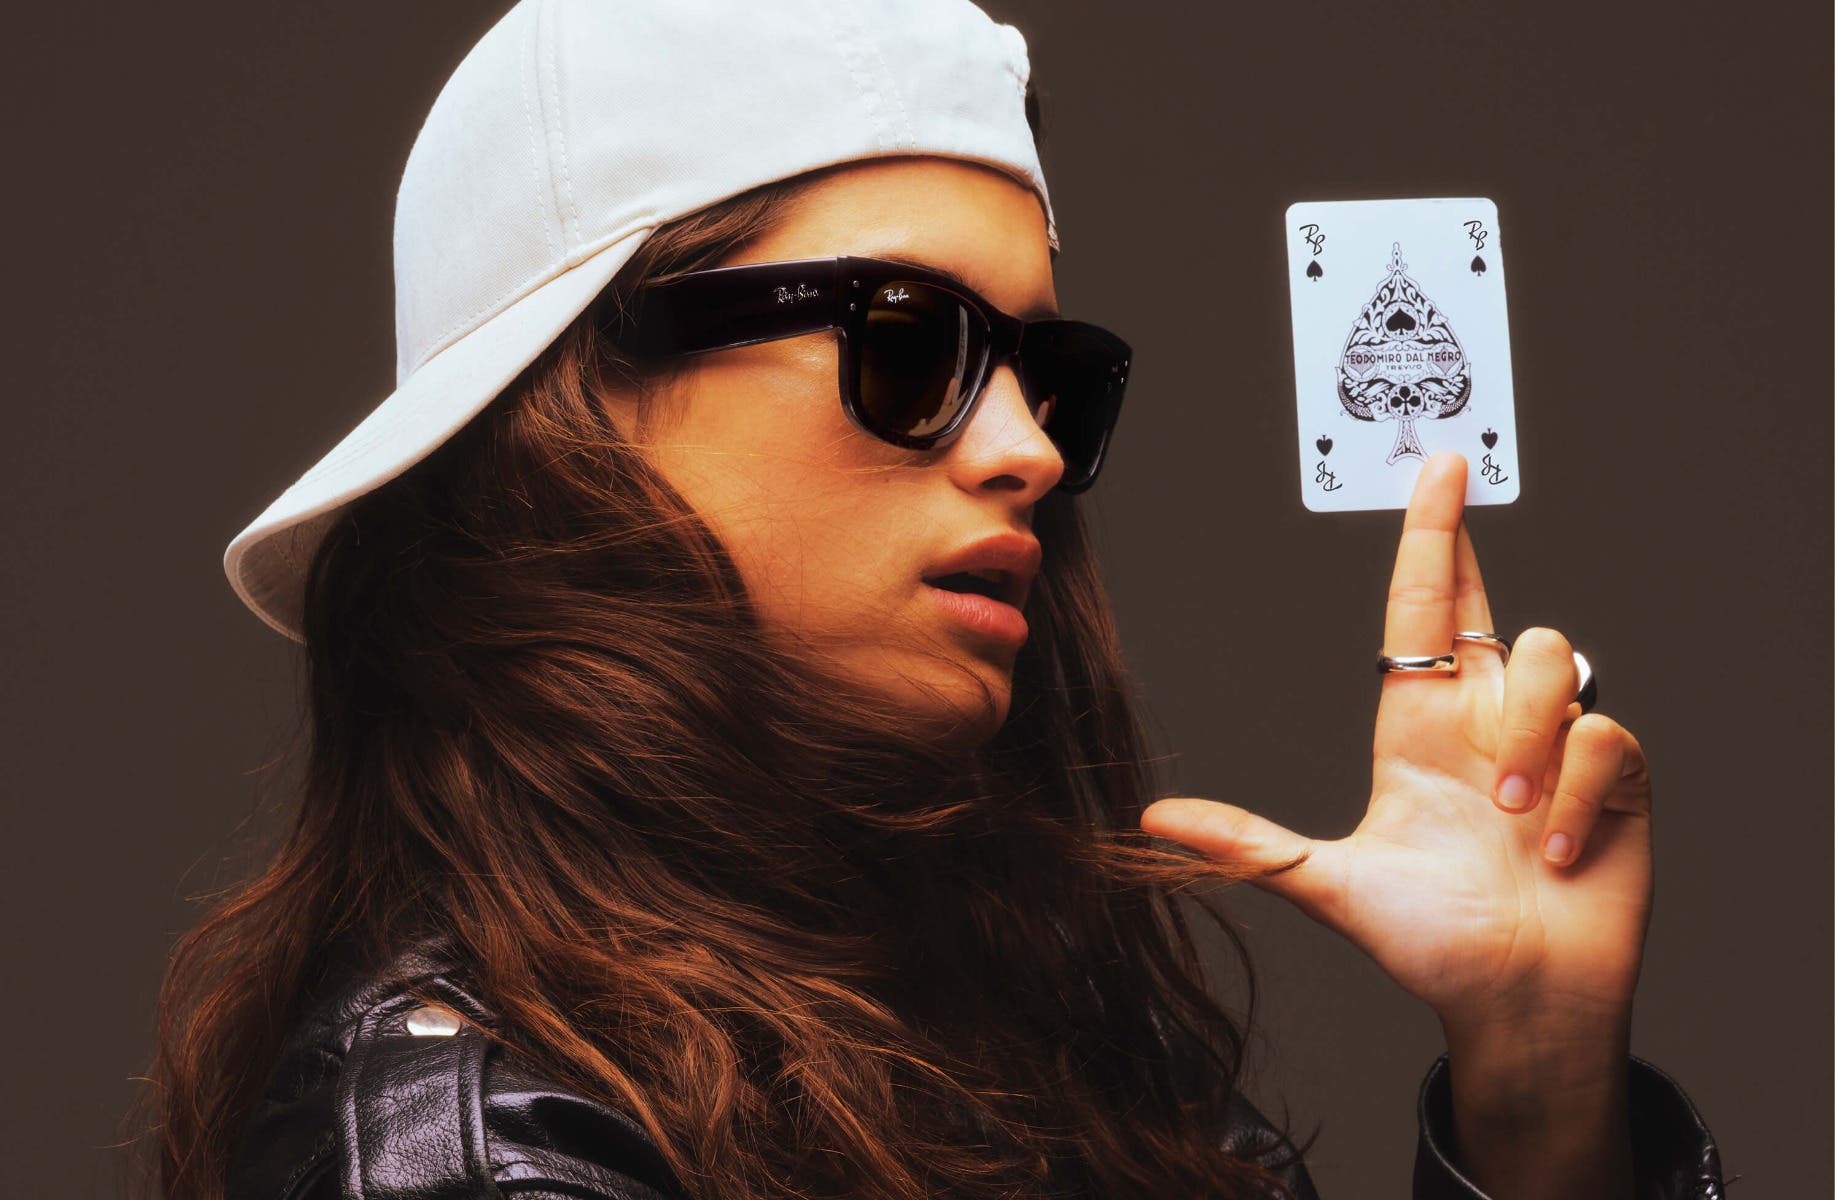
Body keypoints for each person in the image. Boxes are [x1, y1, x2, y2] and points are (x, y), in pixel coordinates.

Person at [133, 2, 1729, 1198]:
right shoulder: (480, 1164)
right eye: (905, 342)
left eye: (1049, 373)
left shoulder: (1046, 1052)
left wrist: (1536, 1100)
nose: (1031, 448)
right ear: (572, 417)